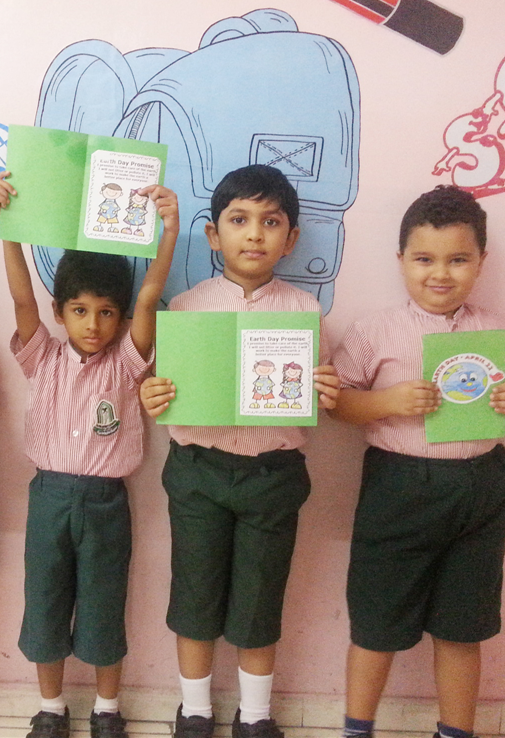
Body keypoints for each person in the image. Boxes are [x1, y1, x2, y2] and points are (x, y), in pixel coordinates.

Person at [328, 185, 505, 738]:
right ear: (401, 259)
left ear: (481, 261)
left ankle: (455, 731)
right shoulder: (373, 330)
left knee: (463, 627)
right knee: (375, 622)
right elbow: (337, 403)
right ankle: (357, 728)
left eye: (458, 260)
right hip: (397, 487)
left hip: (481, 488)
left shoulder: (502, 333)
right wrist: (388, 402)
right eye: (424, 259)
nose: (440, 274)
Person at [139, 165, 340, 738]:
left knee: (260, 596)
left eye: (271, 222)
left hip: (273, 475)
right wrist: (151, 392)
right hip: (197, 471)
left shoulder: (305, 313)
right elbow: (158, 384)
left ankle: (254, 715)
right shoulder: (185, 308)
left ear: (291, 239)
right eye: (239, 220)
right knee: (195, 592)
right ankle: (195, 711)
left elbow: (320, 392)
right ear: (213, 234)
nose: (254, 234)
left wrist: (327, 389)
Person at [0, 171, 180, 738]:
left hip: (105, 502)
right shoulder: (42, 356)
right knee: (45, 601)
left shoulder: (128, 362)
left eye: (106, 312)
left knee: (103, 603)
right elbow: (21, 296)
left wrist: (168, 231)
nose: (93, 325)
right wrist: (8, 227)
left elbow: (149, 295)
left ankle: (107, 708)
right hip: (48, 498)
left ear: (121, 317)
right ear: (59, 311)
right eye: (79, 310)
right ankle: (50, 708)